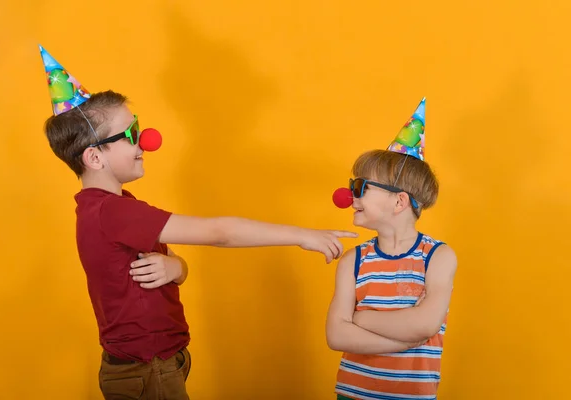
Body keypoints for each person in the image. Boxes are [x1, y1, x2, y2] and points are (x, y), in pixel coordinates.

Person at [38, 45, 357, 400]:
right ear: (95, 157)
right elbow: (219, 232)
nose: (146, 141)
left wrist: (175, 266)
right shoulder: (112, 212)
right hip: (147, 369)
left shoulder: (115, 208)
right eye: (130, 135)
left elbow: (177, 268)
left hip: (158, 363)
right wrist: (302, 235)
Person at [326, 98, 457, 400]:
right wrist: (406, 338)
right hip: (352, 394)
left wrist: (361, 319)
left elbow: (425, 323)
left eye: (360, 187)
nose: (348, 195)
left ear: (399, 201)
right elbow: (336, 335)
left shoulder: (438, 257)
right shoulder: (353, 261)